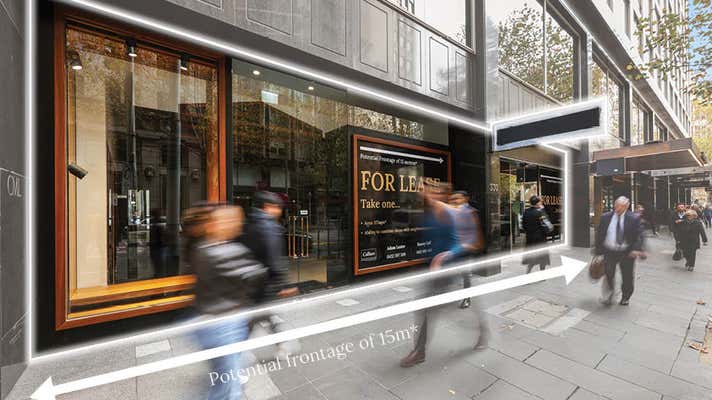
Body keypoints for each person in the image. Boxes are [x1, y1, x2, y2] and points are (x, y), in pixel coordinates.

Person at [187, 204, 266, 400]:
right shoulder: (228, 251)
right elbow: (257, 275)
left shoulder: (202, 248)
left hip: (208, 321)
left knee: (221, 378)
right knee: (228, 387)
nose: (238, 224)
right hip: (225, 324)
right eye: (234, 220)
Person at [400, 182, 463, 368]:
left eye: (427, 190)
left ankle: (419, 352)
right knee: (431, 309)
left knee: (425, 309)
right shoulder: (428, 215)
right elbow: (429, 241)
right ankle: (480, 328)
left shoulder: (448, 214)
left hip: (447, 269)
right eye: (422, 190)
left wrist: (444, 256)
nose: (423, 194)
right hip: (434, 270)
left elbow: (459, 243)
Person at [240, 191, 299, 358]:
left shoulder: (248, 223)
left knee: (262, 316)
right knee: (255, 318)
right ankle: (234, 356)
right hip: (264, 282)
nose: (279, 211)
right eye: (277, 207)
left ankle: (281, 346)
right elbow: (274, 258)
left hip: (249, 281)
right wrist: (284, 284)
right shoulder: (269, 226)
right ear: (268, 207)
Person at [594, 196, 645, 306]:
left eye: (621, 206)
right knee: (608, 273)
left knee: (627, 275)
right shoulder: (605, 217)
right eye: (616, 205)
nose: (617, 208)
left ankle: (626, 296)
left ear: (627, 206)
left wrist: (636, 249)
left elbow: (639, 236)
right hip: (609, 251)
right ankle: (609, 294)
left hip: (626, 252)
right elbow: (600, 234)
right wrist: (598, 250)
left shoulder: (634, 218)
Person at [449, 191, 485, 309]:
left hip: (466, 248)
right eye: (453, 199)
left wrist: (474, 244)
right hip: (454, 247)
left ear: (465, 199)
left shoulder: (471, 212)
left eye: (457, 198)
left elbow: (476, 230)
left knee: (465, 274)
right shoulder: (452, 212)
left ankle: (467, 298)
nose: (455, 201)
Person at [521, 196, 554, 273]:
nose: (541, 203)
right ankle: (542, 273)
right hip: (540, 239)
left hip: (530, 239)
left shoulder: (526, 212)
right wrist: (543, 211)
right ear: (537, 203)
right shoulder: (540, 213)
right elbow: (548, 226)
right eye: (540, 202)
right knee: (542, 257)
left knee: (532, 256)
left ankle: (528, 271)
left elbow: (523, 226)